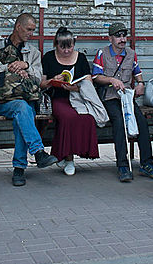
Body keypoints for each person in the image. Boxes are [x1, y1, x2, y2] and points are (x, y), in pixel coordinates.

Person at [0, 13, 58, 186]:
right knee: (23, 110)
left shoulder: (33, 53)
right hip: (2, 101)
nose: (31, 33)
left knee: (22, 113)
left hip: (27, 98)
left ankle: (20, 168)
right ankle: (35, 154)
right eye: (29, 29)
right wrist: (6, 67)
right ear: (18, 27)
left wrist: (26, 66)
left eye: (33, 30)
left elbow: (39, 78)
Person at [92, 21, 153, 183]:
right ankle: (123, 166)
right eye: (118, 36)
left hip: (126, 97)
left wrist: (141, 84)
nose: (122, 39)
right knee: (119, 122)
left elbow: (137, 72)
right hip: (109, 97)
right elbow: (95, 77)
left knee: (142, 122)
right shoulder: (102, 53)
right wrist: (111, 80)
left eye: (124, 36)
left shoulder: (131, 54)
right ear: (110, 38)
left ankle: (147, 164)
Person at [40, 27, 106, 176]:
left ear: (74, 44)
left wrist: (76, 88)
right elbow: (42, 84)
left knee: (87, 118)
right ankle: (68, 159)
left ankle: (63, 155)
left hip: (78, 97)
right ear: (56, 45)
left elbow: (88, 82)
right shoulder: (49, 57)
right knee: (68, 118)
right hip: (58, 98)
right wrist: (53, 80)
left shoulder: (80, 58)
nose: (66, 51)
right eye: (62, 47)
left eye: (69, 47)